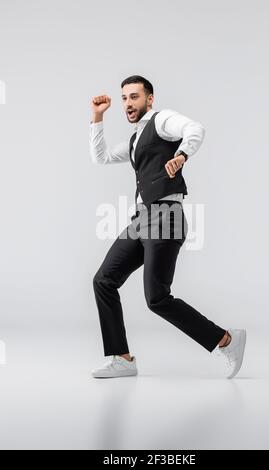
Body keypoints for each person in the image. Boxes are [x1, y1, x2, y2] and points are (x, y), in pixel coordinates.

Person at [89, 75, 246, 379]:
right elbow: (102, 157)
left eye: (134, 97)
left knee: (157, 298)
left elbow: (195, 129)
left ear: (149, 99)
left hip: (166, 216)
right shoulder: (136, 140)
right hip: (142, 219)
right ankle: (122, 358)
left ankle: (226, 340)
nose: (127, 103)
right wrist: (97, 118)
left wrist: (182, 154)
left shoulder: (162, 120)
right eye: (124, 98)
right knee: (103, 280)